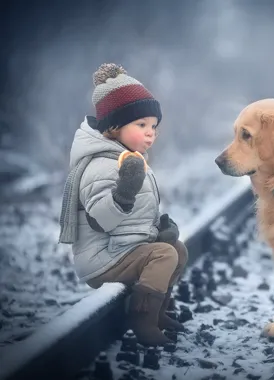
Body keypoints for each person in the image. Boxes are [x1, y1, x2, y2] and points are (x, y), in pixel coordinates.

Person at [58, 63, 188, 346]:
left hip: (120, 248)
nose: (151, 132)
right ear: (114, 127)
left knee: (176, 249)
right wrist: (124, 193)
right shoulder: (100, 165)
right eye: (141, 125)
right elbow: (101, 220)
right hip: (101, 259)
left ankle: (157, 313)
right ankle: (143, 323)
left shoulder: (127, 157)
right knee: (163, 256)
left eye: (153, 126)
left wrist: (156, 231)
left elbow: (132, 218)